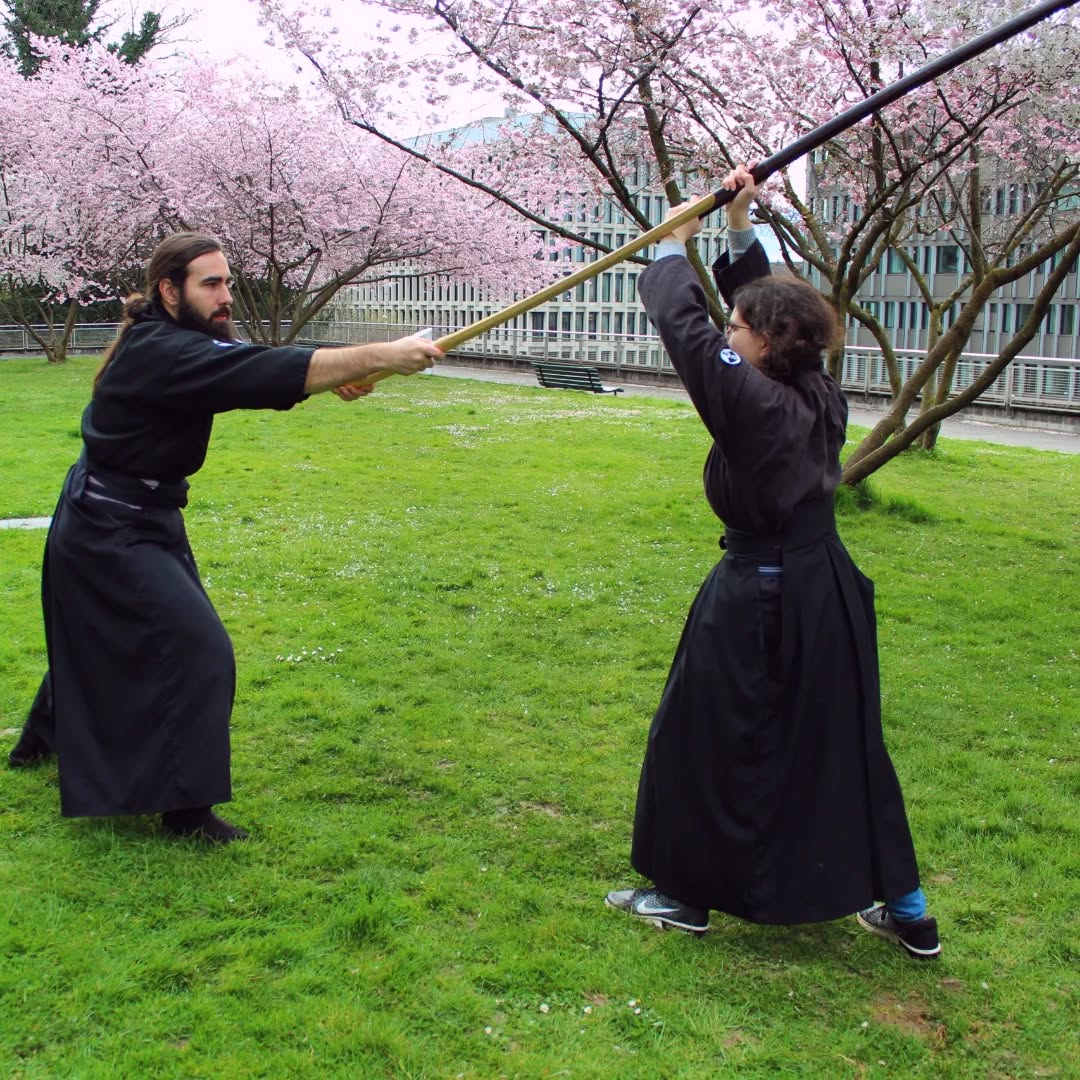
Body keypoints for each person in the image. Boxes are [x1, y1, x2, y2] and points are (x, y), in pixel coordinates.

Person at [604, 165, 940, 959]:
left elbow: (689, 334)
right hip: (825, 588)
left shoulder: (752, 405)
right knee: (844, 739)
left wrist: (673, 249)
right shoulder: (817, 389)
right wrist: (738, 225)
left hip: (762, 595)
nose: (730, 335)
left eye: (740, 330)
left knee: (703, 731)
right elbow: (776, 315)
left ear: (765, 346)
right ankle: (909, 908)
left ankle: (682, 895)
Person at [7, 232, 441, 843]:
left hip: (136, 515)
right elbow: (259, 369)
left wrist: (349, 369)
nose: (225, 295)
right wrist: (382, 354)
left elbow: (255, 366)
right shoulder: (159, 351)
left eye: (227, 282)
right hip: (109, 525)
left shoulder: (181, 341)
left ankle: (39, 743)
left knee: (113, 630)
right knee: (195, 651)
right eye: (210, 283)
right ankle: (186, 814)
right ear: (169, 290)